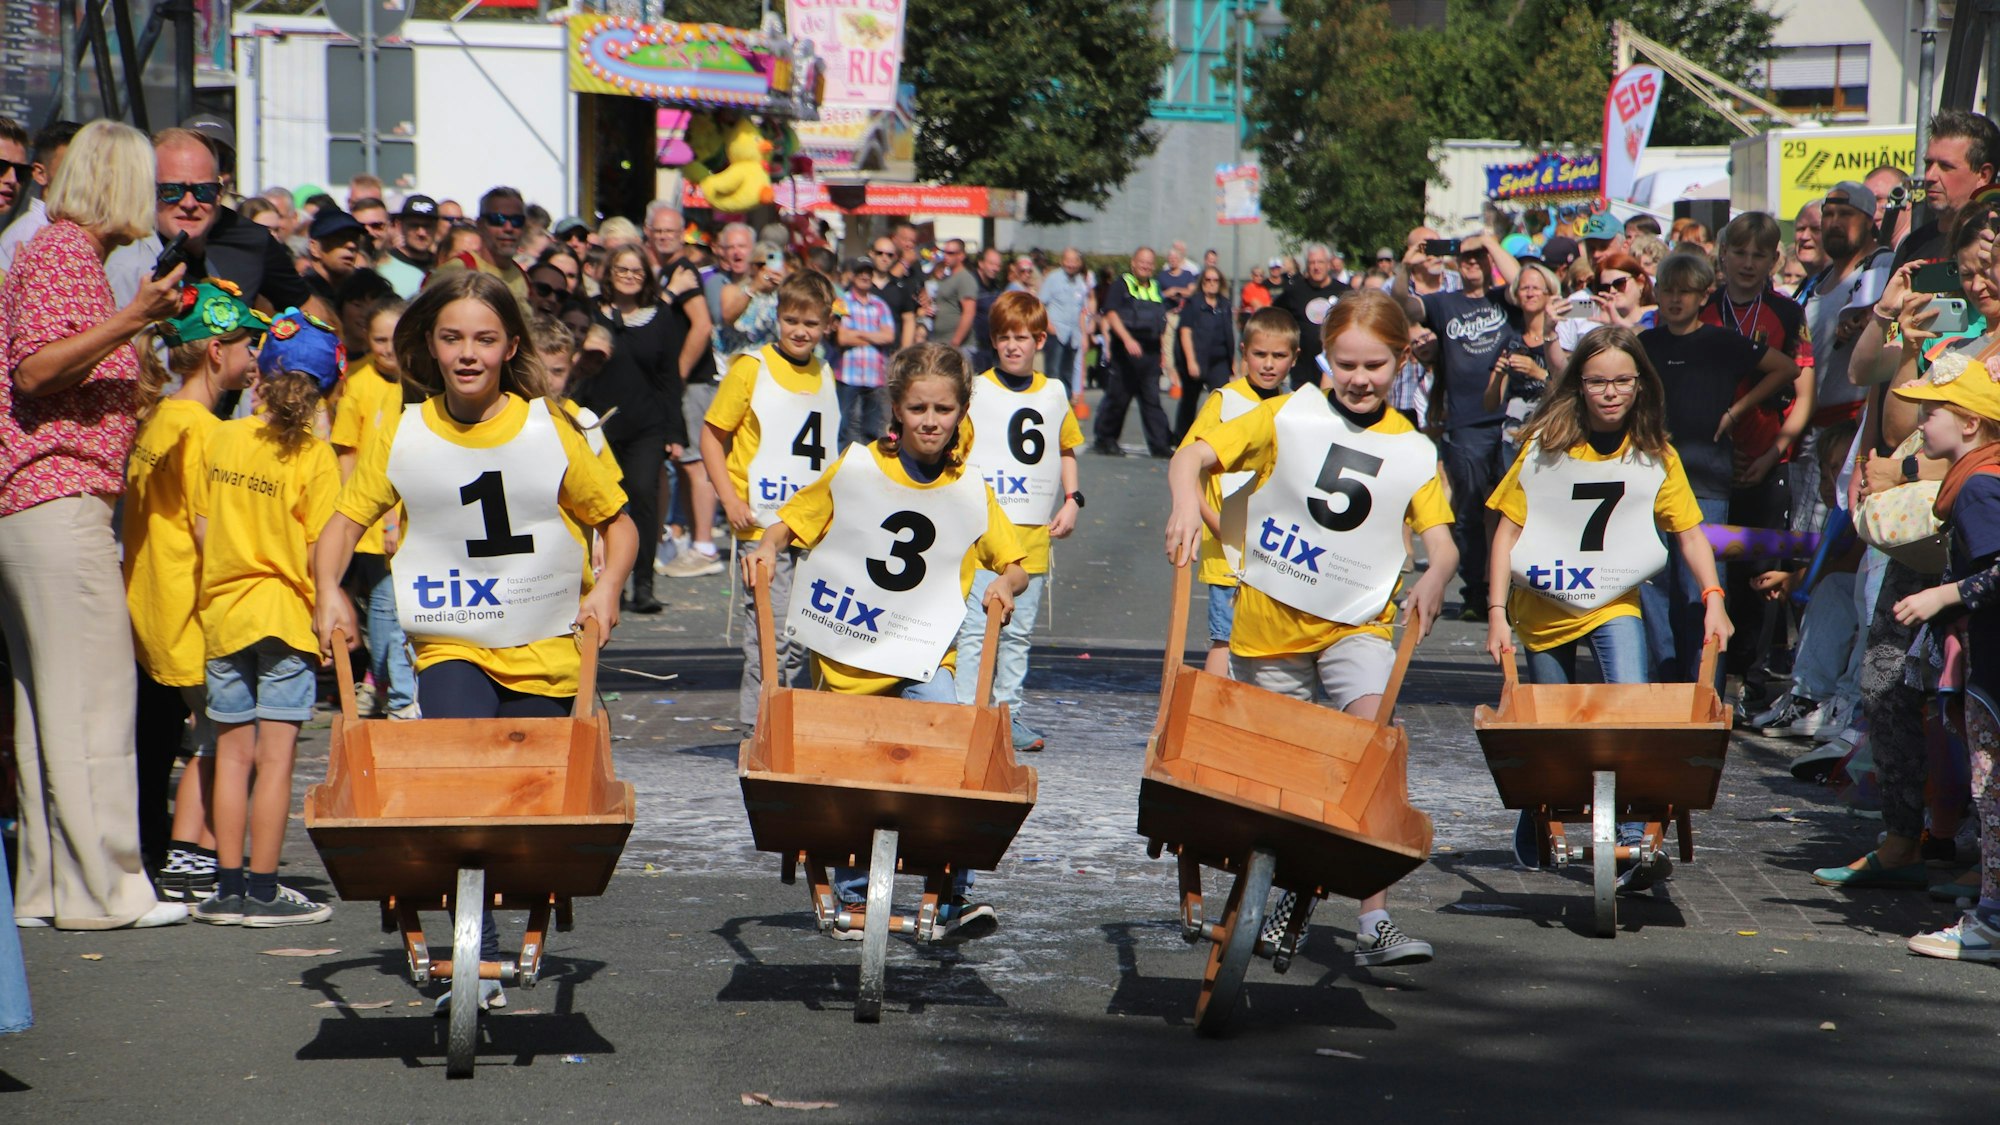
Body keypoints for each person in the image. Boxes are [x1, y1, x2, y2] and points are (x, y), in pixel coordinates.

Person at [1165, 289, 1456, 966]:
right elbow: (1191, 458)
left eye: (1375, 365)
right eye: (1346, 364)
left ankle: (1374, 919)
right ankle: (1283, 890)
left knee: (1374, 746)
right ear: (1325, 358)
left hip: (1358, 623)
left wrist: (1437, 574)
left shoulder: (1412, 450)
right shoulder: (1287, 415)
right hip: (1269, 626)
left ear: (1402, 360)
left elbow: (1441, 541)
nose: (1360, 379)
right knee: (1280, 779)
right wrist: (1184, 502)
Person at [743, 343, 1029, 938]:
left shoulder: (970, 487)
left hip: (924, 657)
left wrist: (1006, 581)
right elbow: (793, 521)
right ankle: (853, 895)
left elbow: (1014, 561)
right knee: (852, 777)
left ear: (962, 411)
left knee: (952, 753)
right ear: (896, 409)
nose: (931, 421)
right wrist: (767, 547)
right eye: (918, 408)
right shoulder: (858, 466)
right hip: (849, 653)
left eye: (943, 409)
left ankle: (950, 892)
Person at [0, 119, 188, 931]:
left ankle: (49, 887)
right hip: (58, 497)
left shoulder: (60, 253)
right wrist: (131, 317)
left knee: (49, 708)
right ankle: (105, 889)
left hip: (41, 503)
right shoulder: (64, 253)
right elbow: (37, 369)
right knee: (94, 701)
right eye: (152, 181)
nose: (160, 199)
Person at [1485, 326, 1733, 883]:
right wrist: (1496, 614)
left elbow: (1690, 534)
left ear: (1641, 383)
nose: (1611, 392)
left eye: (1623, 380)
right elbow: (1506, 534)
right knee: (1550, 733)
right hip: (1543, 606)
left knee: (1630, 711)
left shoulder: (1655, 456)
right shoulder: (1545, 448)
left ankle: (1631, 837)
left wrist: (1714, 598)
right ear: (1579, 384)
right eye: (1598, 381)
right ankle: (1537, 807)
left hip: (1613, 601)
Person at [185, 310, 343, 928]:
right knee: (275, 761)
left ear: (261, 375)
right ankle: (265, 889)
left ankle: (226, 889)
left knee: (230, 755)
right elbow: (319, 551)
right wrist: (328, 608)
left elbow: (202, 529)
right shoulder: (316, 457)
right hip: (284, 616)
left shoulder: (222, 439)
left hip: (224, 614)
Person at [126, 280, 265, 897]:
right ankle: (194, 858)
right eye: (247, 345)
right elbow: (212, 533)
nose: (254, 358)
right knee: (226, 740)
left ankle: (168, 851)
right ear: (216, 351)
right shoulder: (205, 433)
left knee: (165, 742)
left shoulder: (158, 416)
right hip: (189, 612)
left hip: (149, 604)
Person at [1886, 352, 2000, 962]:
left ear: (1971, 423)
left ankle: (1992, 923)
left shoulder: (1979, 487)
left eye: (1932, 412)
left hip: (1995, 666)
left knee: (1992, 791)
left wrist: (1942, 595)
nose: (1921, 422)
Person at [1638, 252, 1797, 683]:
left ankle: (1704, 684)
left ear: (1703, 295)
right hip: (1651, 480)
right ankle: (1664, 685)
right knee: (1653, 587)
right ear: (1656, 293)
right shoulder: (1645, 344)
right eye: (1668, 291)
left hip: (1706, 479)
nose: (1675, 300)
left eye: (1685, 292)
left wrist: (1736, 412)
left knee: (1701, 588)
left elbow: (1785, 368)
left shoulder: (1722, 341)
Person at [701, 272, 842, 724]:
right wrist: (729, 499)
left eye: (811, 323)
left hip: (811, 529)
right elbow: (711, 436)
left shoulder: (825, 373)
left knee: (803, 639)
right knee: (769, 636)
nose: (800, 331)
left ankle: (786, 726)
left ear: (826, 325)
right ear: (777, 317)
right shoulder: (751, 368)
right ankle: (756, 730)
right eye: (791, 320)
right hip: (761, 525)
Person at [955, 292, 1085, 752]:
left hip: (1031, 535)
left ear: (1040, 341)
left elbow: (1065, 448)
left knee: (1018, 633)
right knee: (975, 629)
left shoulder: (1054, 393)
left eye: (1023, 338)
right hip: (982, 534)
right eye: (1005, 337)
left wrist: (1072, 500)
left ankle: (1008, 715)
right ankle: (968, 712)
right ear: (993, 340)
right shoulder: (975, 390)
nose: (1013, 346)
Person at [1177, 306, 1297, 675]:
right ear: (1243, 352)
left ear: (1294, 358)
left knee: (1269, 645)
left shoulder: (1295, 407)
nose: (1268, 364)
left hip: (1275, 550)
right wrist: (1208, 518)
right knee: (1225, 639)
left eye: (1279, 356)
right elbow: (1187, 460)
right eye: (1260, 354)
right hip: (1226, 551)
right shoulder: (1225, 400)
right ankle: (1211, 706)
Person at [575, 244, 692, 614]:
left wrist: (675, 432)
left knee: (643, 496)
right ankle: (609, 583)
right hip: (598, 423)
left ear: (646, 276)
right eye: (621, 270)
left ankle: (643, 584)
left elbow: (669, 377)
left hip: (647, 424)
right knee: (603, 503)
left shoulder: (660, 317)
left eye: (636, 271)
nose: (628, 276)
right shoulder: (590, 312)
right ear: (609, 274)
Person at [1416, 233, 1524, 618]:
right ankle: (1476, 593)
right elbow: (1404, 306)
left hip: (1513, 421)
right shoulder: (1444, 303)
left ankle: (1514, 591)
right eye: (1465, 257)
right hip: (1466, 423)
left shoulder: (1504, 299)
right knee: (1471, 512)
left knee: (1517, 510)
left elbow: (1521, 282)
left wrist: (1489, 242)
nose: (1473, 262)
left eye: (1479, 257)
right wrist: (1409, 267)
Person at [106, 127, 314, 318]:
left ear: (218, 195)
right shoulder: (127, 265)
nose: (189, 203)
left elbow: (309, 309)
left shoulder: (246, 242)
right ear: (149, 190)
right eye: (172, 191)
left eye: (203, 191)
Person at [328, 296, 419, 721]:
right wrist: (358, 512)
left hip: (407, 516)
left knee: (393, 606)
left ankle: (384, 683)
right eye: (379, 340)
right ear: (366, 339)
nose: (388, 348)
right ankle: (390, 688)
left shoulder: (417, 382)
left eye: (395, 339)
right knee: (383, 606)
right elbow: (347, 452)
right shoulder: (358, 382)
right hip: (371, 518)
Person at [1093, 246, 1175, 457]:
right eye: (1142, 262)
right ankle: (1105, 439)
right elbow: (1111, 314)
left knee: (1152, 400)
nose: (1145, 266)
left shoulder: (1155, 287)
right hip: (1126, 352)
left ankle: (1160, 444)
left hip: (1150, 353)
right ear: (1133, 263)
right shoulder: (1121, 285)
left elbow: (1161, 321)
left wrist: (1162, 352)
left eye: (1149, 263)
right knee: (1118, 398)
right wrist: (1127, 339)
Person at [1482, 261, 1562, 466]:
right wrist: (1499, 375)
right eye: (1524, 288)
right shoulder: (1511, 341)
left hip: (1551, 431)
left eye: (1536, 288)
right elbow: (1490, 404)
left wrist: (1537, 372)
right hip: (1515, 435)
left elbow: (1569, 390)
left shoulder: (1562, 337)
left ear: (1549, 293)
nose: (1530, 293)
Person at [0, 119, 79, 284]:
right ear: (40, 174)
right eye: (1, 167)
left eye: (20, 171)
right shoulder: (29, 236)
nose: (12, 179)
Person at [433, 185, 530, 310]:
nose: (508, 228)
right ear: (480, 224)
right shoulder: (455, 270)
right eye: (498, 219)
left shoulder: (524, 278)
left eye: (517, 221)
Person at [834, 256, 897, 448]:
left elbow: (889, 336)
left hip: (874, 376)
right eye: (860, 272)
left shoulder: (880, 305)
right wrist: (874, 335)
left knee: (872, 430)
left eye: (868, 272)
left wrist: (857, 333)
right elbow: (841, 338)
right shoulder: (841, 302)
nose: (864, 276)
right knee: (843, 427)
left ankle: (869, 463)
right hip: (848, 375)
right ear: (852, 275)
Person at [1272, 243, 1352, 387]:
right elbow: (1275, 317)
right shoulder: (1294, 291)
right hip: (1302, 369)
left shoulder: (1344, 291)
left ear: (1328, 264)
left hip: (1335, 367)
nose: (1316, 267)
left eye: (1320, 262)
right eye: (1312, 262)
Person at [1038, 247, 1093, 413]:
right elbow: (1040, 304)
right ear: (1062, 261)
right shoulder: (1053, 279)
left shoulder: (1081, 282)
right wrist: (1049, 327)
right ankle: (1051, 410)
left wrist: (1084, 336)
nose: (1071, 264)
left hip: (1073, 335)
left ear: (1079, 263)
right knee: (1054, 373)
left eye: (1074, 261)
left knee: (1068, 373)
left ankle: (1066, 410)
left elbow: (1083, 311)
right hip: (1056, 333)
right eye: (1068, 260)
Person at [377, 194, 438, 297]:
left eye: (428, 226)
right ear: (399, 225)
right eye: (414, 225)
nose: (421, 233)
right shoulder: (383, 267)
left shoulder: (442, 266)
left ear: (436, 227)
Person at [932, 238, 978, 358]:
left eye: (951, 253)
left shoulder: (965, 278)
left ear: (961, 256)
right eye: (944, 252)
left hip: (959, 347)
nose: (946, 256)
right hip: (940, 344)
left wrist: (955, 343)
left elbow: (969, 313)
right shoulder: (946, 278)